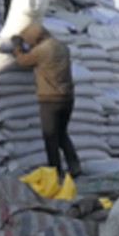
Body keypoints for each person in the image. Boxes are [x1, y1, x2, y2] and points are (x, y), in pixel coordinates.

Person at [12, 21, 82, 178]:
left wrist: (17, 46)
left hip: (50, 100)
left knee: (50, 136)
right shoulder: (61, 47)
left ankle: (55, 170)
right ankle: (74, 164)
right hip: (68, 98)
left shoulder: (42, 50)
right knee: (62, 133)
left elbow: (23, 60)